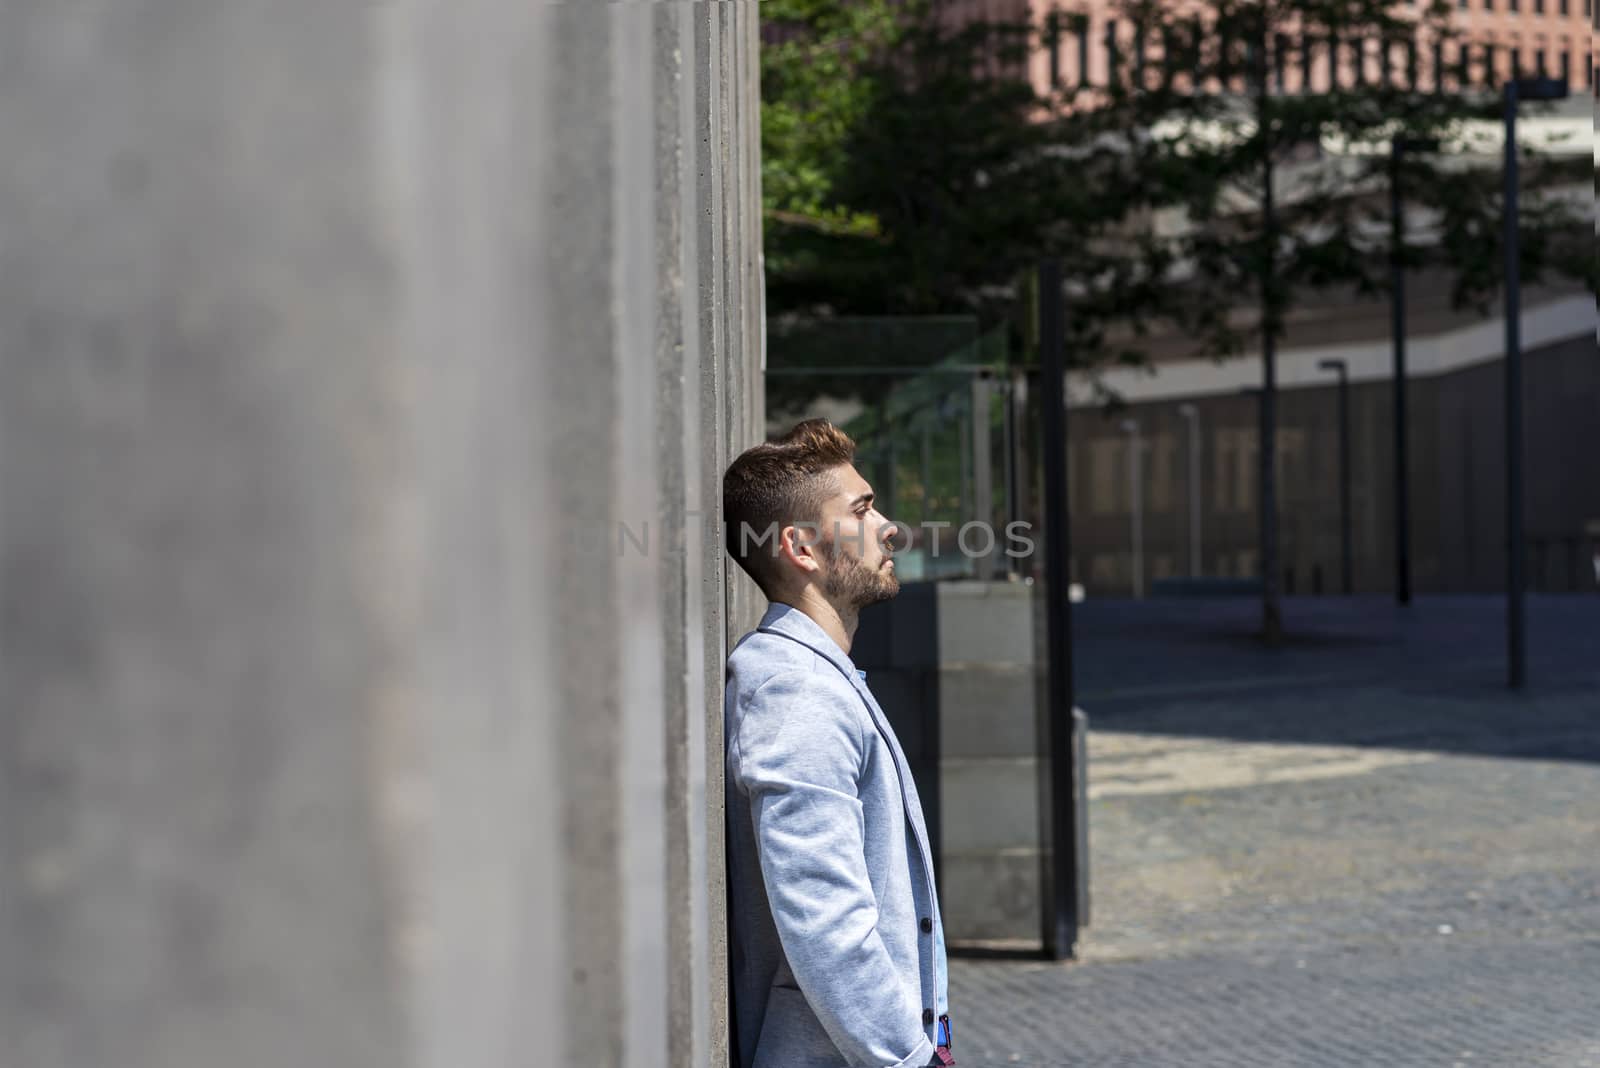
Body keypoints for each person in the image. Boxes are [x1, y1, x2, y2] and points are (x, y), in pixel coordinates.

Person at [722, 419, 953, 1068]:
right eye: (862, 509)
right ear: (800, 549)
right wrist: (909, 1058)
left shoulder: (815, 676)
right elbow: (824, 916)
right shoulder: (797, 693)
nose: (888, 527)